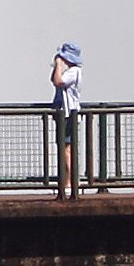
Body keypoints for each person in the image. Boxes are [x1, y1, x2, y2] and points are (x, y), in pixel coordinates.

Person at [51, 43, 84, 199]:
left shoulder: (74, 72)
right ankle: (67, 182)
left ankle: (70, 182)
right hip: (64, 114)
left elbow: (58, 81)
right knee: (64, 148)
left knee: (67, 150)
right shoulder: (69, 71)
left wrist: (58, 64)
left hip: (69, 114)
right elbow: (54, 79)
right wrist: (57, 66)